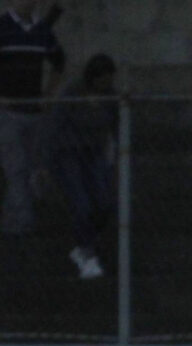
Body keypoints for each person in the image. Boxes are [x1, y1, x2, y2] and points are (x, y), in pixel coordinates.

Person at [46, 52, 117, 280]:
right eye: (102, 80)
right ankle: (86, 252)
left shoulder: (110, 96)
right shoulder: (73, 91)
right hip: (69, 153)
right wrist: (46, 160)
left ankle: (88, 240)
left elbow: (117, 124)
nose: (106, 84)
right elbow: (55, 124)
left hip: (94, 152)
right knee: (82, 203)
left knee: (104, 202)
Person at [0, 0, 65, 235]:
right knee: (16, 167)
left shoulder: (42, 30)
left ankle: (13, 221)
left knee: (28, 168)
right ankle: (23, 222)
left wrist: (48, 94)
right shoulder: (3, 27)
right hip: (7, 112)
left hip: (32, 111)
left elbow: (59, 62)